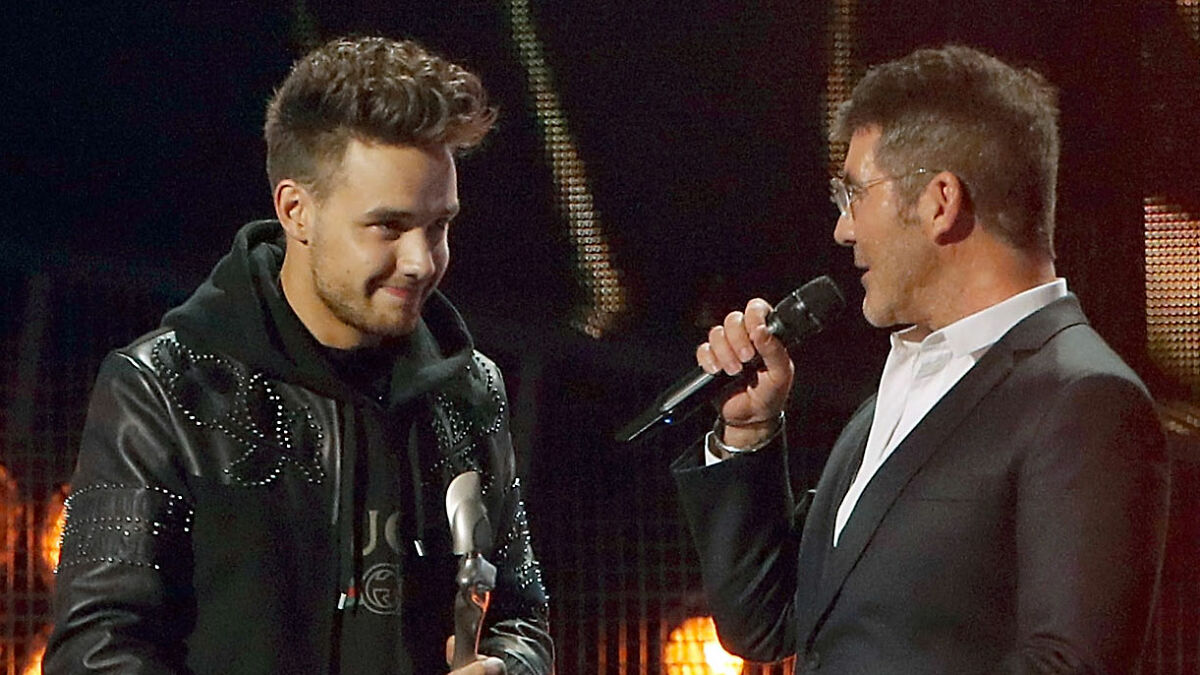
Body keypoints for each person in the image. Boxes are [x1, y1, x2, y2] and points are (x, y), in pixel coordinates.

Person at [45, 36, 553, 675]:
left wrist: (508, 667)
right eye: (388, 227)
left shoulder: (471, 392)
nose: (422, 261)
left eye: (440, 224)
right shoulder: (162, 390)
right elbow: (97, 651)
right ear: (296, 210)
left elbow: (522, 619)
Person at [672, 45, 1169, 673]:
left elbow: (1070, 666)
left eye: (855, 194)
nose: (843, 230)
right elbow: (769, 625)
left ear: (941, 201)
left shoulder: (1085, 400)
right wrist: (748, 433)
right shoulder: (905, 384)